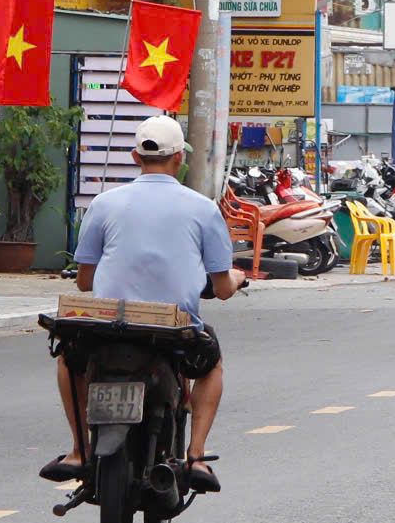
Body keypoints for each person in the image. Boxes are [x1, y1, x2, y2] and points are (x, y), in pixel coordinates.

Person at [45, 115, 247, 492]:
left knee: (68, 358)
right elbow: (220, 289)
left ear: (136, 156)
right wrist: (236, 277)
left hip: (108, 325)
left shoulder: (103, 204)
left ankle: (78, 450)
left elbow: (85, 281)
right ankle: (197, 456)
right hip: (172, 327)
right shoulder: (203, 208)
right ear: (178, 160)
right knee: (211, 364)